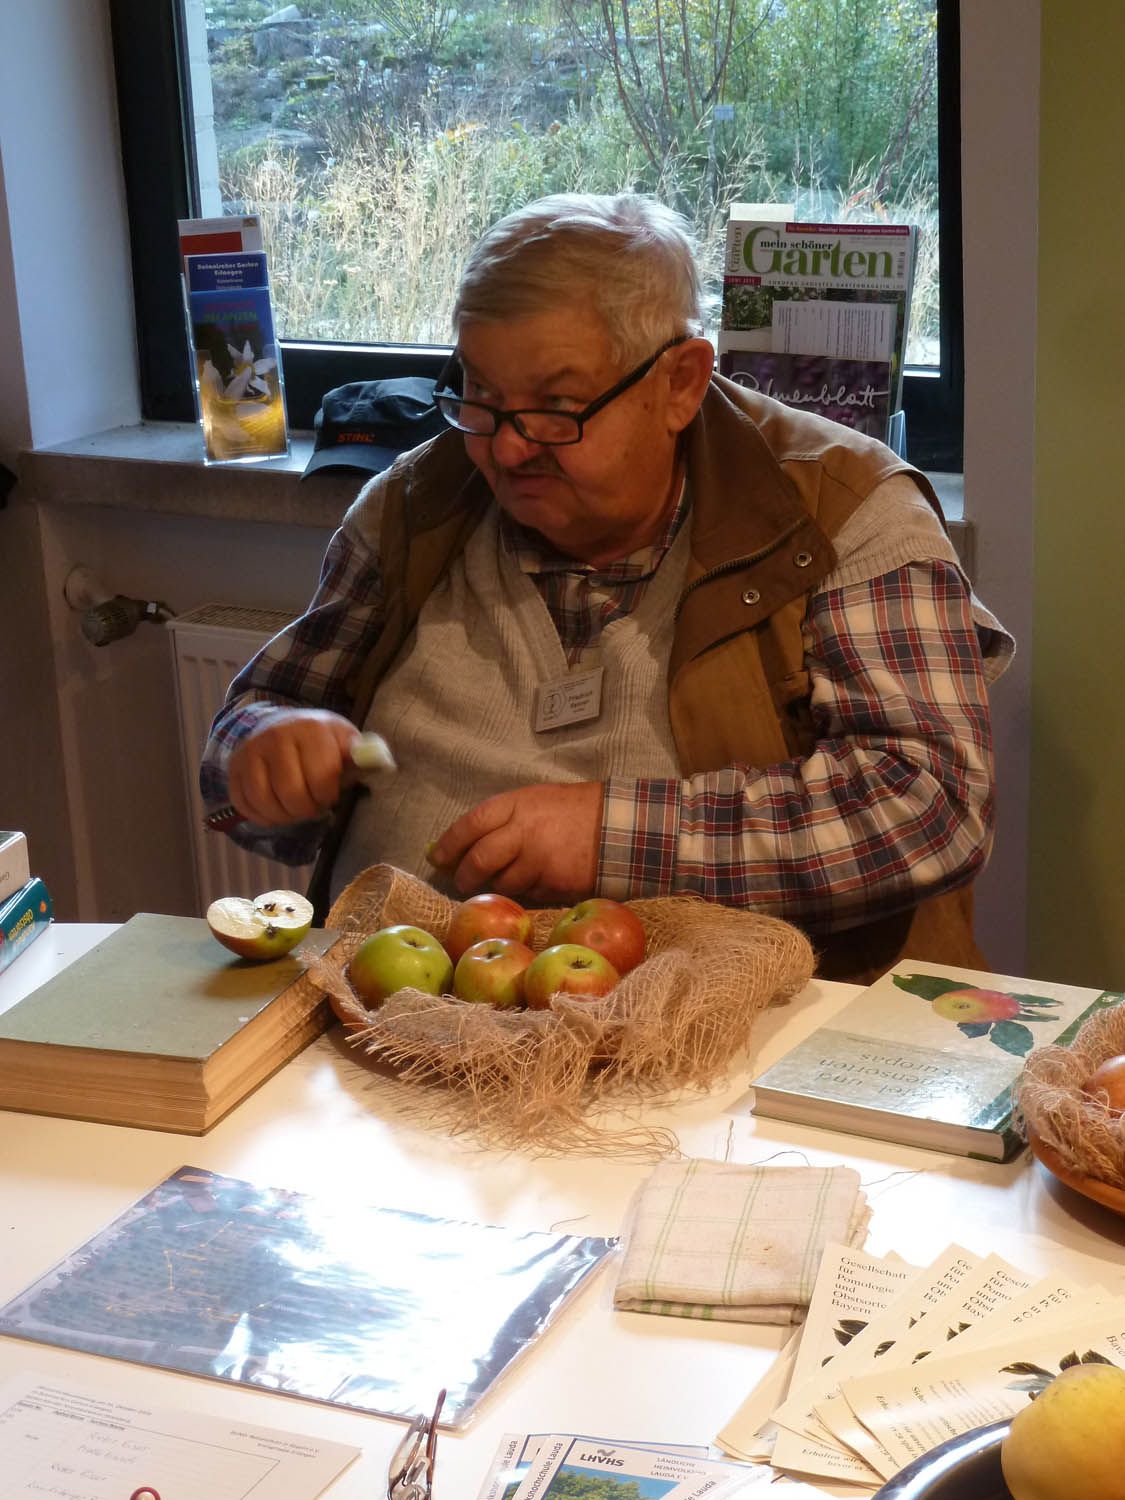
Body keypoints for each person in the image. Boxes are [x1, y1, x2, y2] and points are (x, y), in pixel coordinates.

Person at [200, 193, 1012, 983]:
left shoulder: (841, 515)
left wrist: (616, 837)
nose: (509, 450)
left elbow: (928, 803)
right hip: (397, 1020)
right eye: (481, 395)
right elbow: (249, 745)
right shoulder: (419, 505)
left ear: (681, 384)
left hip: (727, 1044)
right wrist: (265, 752)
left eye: (557, 407)